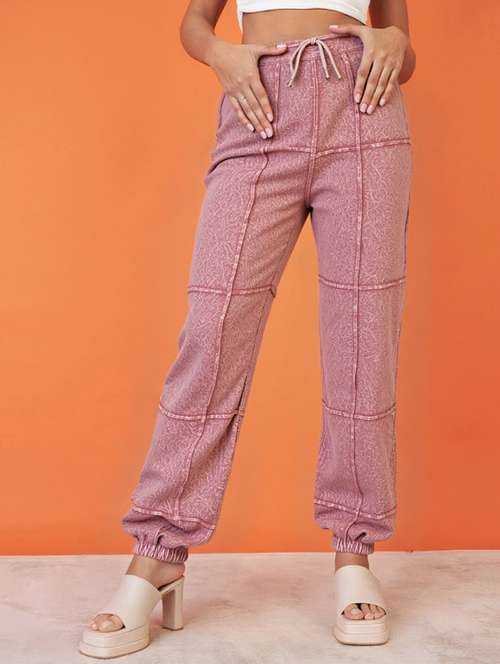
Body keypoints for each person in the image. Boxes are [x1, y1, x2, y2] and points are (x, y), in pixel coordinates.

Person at [79, 0, 416, 657]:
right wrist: (222, 56)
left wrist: (392, 45)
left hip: (365, 114)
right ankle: (158, 551)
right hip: (259, 107)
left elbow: (403, 48)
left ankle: (354, 552)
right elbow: (194, 22)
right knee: (213, 331)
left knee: (362, 339)